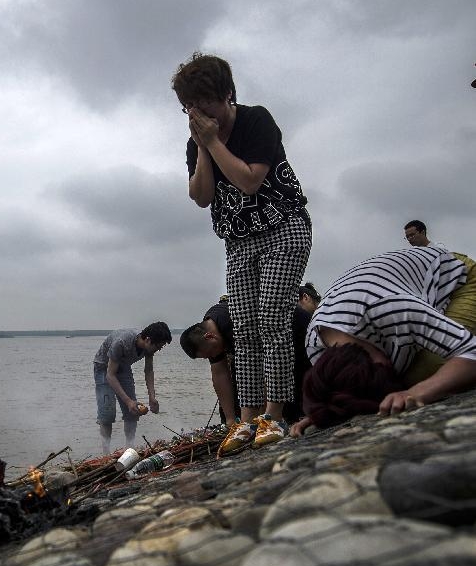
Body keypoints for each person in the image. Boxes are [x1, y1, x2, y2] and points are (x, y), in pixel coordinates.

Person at [171, 52, 312, 454]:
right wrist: (202, 147)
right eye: (189, 109)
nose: (199, 114)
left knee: (272, 318)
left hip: (284, 228)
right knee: (245, 329)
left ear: (227, 95)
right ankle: (247, 419)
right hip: (238, 241)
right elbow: (200, 197)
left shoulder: (256, 121)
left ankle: (275, 414)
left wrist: (214, 141)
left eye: (206, 105)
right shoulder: (197, 142)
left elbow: (250, 181)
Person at [293, 246, 476, 436]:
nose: (388, 368)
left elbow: (471, 352)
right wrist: (326, 410)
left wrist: (415, 392)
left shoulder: (389, 308)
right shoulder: (315, 345)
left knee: (425, 376)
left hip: (456, 277)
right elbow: (343, 391)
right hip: (392, 294)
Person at [180, 296, 311, 447]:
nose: (212, 357)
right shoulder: (208, 328)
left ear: (209, 337)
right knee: (242, 398)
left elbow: (263, 368)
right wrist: (230, 420)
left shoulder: (234, 324)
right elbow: (219, 372)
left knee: (296, 396)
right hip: (267, 345)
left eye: (210, 354)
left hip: (296, 331)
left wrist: (262, 415)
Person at [93, 322, 172, 454]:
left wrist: (152, 397)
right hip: (103, 368)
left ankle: (129, 448)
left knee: (132, 411)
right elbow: (110, 375)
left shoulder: (148, 347)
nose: (158, 350)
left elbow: (149, 371)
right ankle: (105, 453)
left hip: (123, 367)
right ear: (148, 340)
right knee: (107, 414)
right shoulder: (121, 343)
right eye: (158, 347)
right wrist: (128, 401)